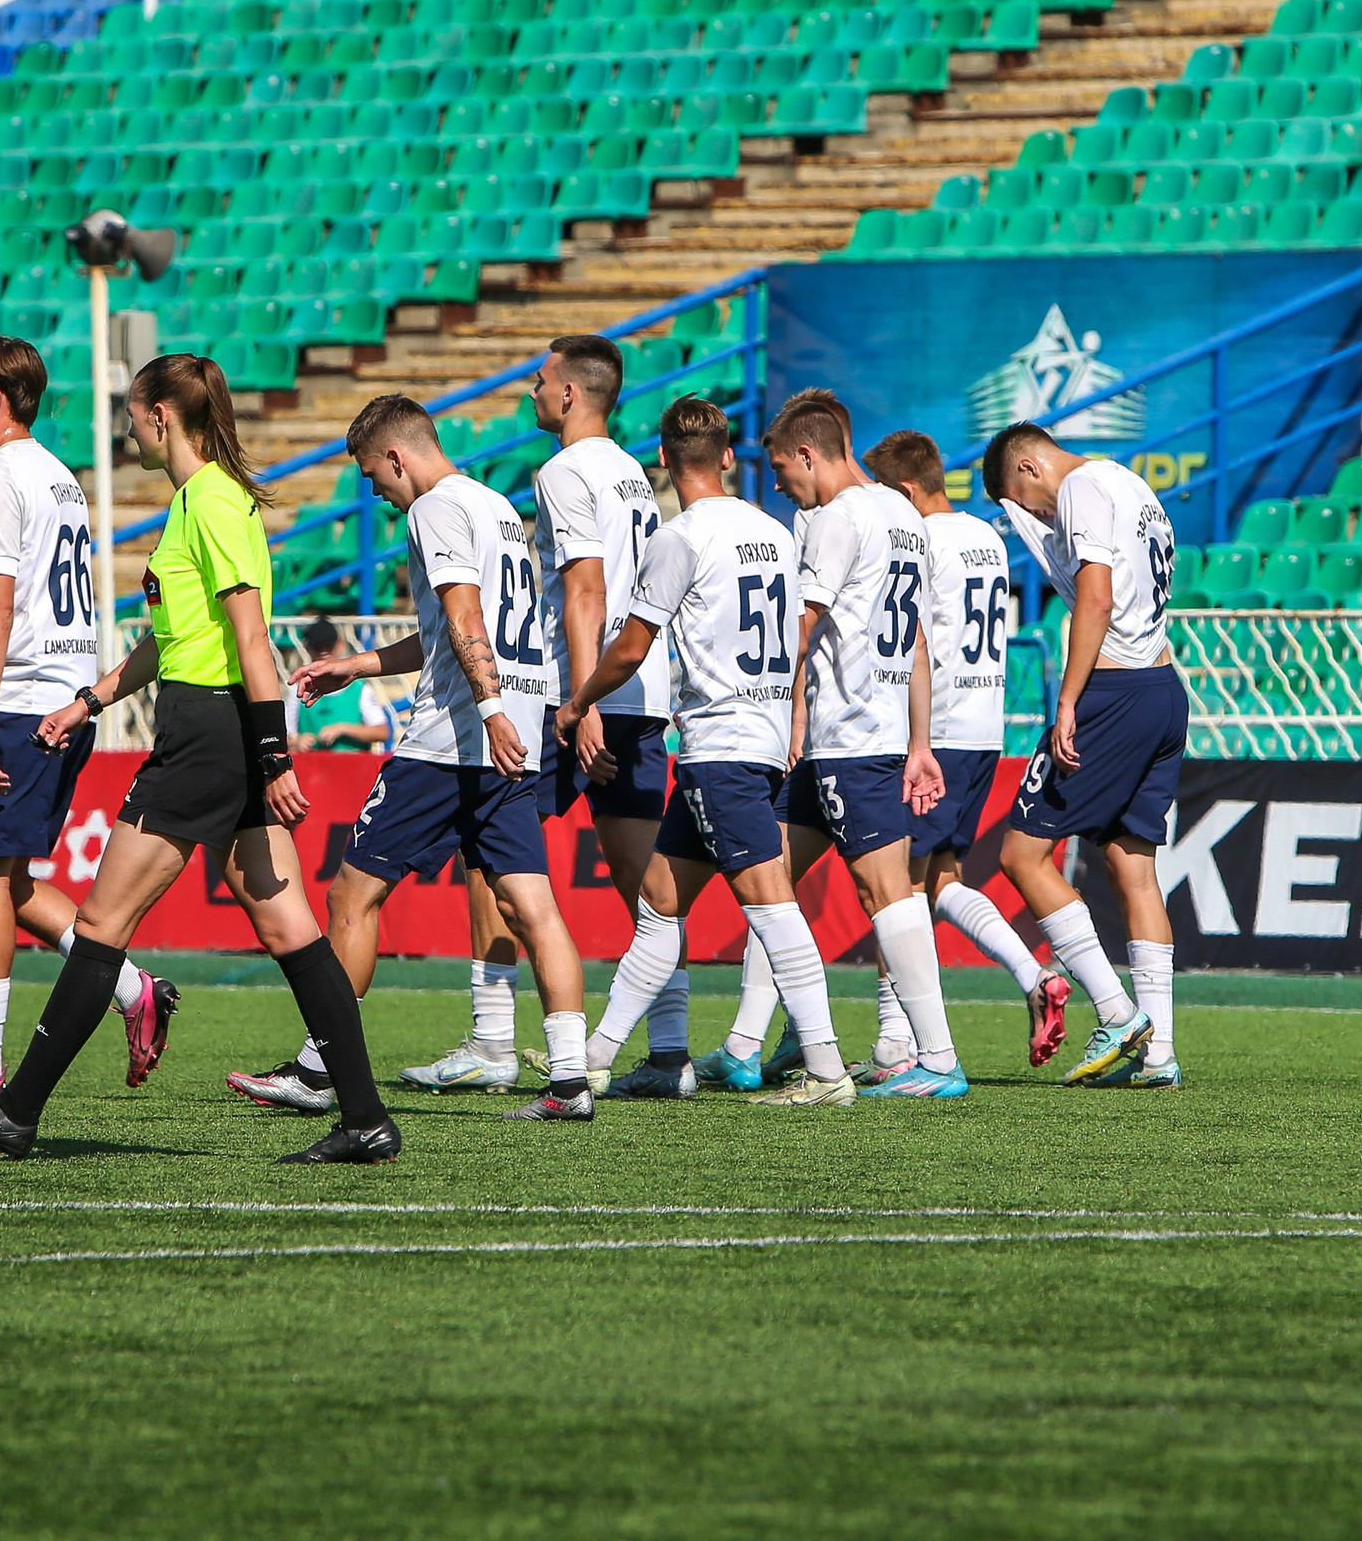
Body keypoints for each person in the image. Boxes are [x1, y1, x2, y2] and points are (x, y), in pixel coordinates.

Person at [0, 353, 396, 1165]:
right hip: (219, 730)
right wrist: (92, 700)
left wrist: (276, 756)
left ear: (162, 417)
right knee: (291, 928)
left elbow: (249, 638)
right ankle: (365, 1117)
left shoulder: (207, 502)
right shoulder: (200, 504)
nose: (126, 428)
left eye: (132, 414)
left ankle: (17, 1108)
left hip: (208, 737)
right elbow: (173, 636)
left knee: (102, 925)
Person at [0, 332, 176, 1100]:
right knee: (7, 880)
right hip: (59, 694)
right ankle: (130, 990)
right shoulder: (59, 476)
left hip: (23, 703)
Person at [290, 394, 593, 1122]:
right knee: (533, 906)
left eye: (373, 476)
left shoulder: (433, 509)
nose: (377, 494)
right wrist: (360, 666)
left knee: (351, 897)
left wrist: (486, 711)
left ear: (397, 457)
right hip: (516, 733)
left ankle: (317, 1070)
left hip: (451, 742)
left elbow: (463, 619)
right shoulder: (495, 507)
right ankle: (571, 1083)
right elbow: (451, 631)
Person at [403, 336, 689, 1099]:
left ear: (569, 395)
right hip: (642, 693)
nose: (531, 391)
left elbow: (587, 589)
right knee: (640, 878)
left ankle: (492, 1039)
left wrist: (582, 700)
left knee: (489, 848)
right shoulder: (632, 471)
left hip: (578, 698)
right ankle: (670, 1051)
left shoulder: (565, 471)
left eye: (539, 380)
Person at [556, 395, 850, 1106]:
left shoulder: (679, 537)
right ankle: (596, 1060)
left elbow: (630, 647)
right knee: (660, 900)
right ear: (726, 456)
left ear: (662, 458)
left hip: (721, 740)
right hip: (756, 734)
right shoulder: (776, 533)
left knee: (771, 904)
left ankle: (829, 1070)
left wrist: (579, 701)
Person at [696, 388, 959, 1102]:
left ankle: (937, 1057)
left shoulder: (838, 518)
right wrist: (922, 741)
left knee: (887, 891)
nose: (781, 485)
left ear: (808, 454)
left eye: (783, 469)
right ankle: (746, 1046)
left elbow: (799, 628)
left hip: (851, 735)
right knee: (770, 877)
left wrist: (780, 717)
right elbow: (919, 644)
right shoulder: (902, 514)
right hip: (854, 736)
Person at [981, 419, 1183, 1090]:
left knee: (1021, 854)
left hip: (1116, 689)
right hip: (1162, 684)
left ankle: (1119, 1012)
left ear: (1031, 468)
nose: (1035, 514)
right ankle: (1158, 1056)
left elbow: (1096, 596)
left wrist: (1068, 700)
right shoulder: (1132, 484)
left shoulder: (1080, 490)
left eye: (1023, 498)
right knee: (1134, 869)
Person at [865, 429, 1074, 1055]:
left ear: (904, 491)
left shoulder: (918, 541)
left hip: (939, 731)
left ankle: (895, 1040)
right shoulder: (985, 534)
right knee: (941, 879)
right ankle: (1034, 976)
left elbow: (911, 637)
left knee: (894, 885)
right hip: (984, 729)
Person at [291, 618, 391, 752]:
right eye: (317, 647)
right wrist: (296, 742)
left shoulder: (359, 689)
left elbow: (382, 731)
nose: (323, 652)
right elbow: (283, 735)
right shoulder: (298, 689)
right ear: (307, 649)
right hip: (312, 766)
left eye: (328, 646)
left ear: (339, 644)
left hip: (352, 765)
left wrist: (343, 729)